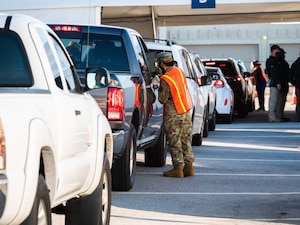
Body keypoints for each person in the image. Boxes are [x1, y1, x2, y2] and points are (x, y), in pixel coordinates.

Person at [156, 52, 195, 178]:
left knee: (174, 140)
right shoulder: (179, 71)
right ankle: (189, 167)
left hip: (174, 113)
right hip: (185, 110)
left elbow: (162, 99)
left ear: (161, 64)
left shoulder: (166, 79)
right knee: (185, 139)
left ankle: (177, 168)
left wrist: (157, 84)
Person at [266, 44, 281, 122]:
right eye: (277, 50)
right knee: (273, 100)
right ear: (273, 51)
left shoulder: (277, 60)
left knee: (277, 101)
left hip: (276, 82)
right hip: (274, 83)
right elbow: (273, 73)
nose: (278, 51)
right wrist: (277, 82)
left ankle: (275, 116)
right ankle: (271, 117)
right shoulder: (271, 61)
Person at [276, 47, 290, 121]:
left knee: (282, 100)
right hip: (280, 83)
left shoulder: (283, 62)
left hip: (284, 83)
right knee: (279, 100)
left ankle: (281, 115)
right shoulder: (277, 62)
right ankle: (279, 115)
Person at [289, 51, 300, 122]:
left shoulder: (295, 64)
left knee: (299, 103)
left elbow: (290, 76)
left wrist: (295, 83)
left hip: (299, 86)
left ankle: (298, 117)